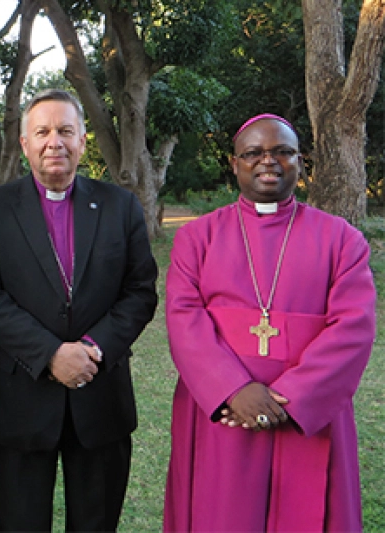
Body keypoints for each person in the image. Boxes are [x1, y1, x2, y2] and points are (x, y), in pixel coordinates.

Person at [163, 114, 377, 531]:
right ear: (234, 162)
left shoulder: (342, 240)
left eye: (283, 151)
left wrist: (291, 398)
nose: (269, 161)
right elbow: (183, 318)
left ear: (300, 161)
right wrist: (233, 389)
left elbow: (353, 328)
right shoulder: (198, 237)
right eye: (254, 153)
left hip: (306, 417)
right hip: (224, 411)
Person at [0, 89, 159, 531]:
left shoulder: (120, 206)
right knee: (21, 523)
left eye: (66, 131)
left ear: (83, 141)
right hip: (22, 398)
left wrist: (90, 348)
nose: (56, 142)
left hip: (100, 392)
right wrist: (51, 354)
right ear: (25, 142)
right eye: (43, 132)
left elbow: (140, 290)